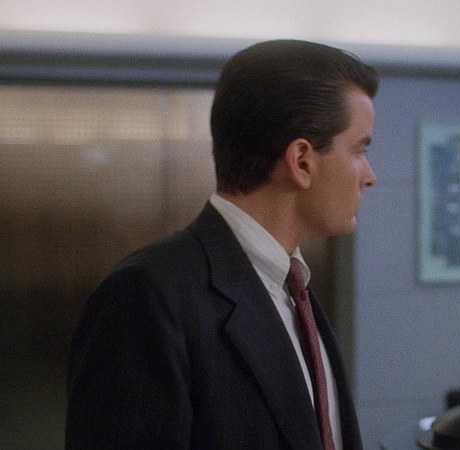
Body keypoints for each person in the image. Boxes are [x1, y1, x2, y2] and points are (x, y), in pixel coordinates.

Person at [65, 39, 378, 449]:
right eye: (359, 150)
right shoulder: (145, 297)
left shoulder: (293, 288)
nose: (369, 175)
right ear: (302, 161)